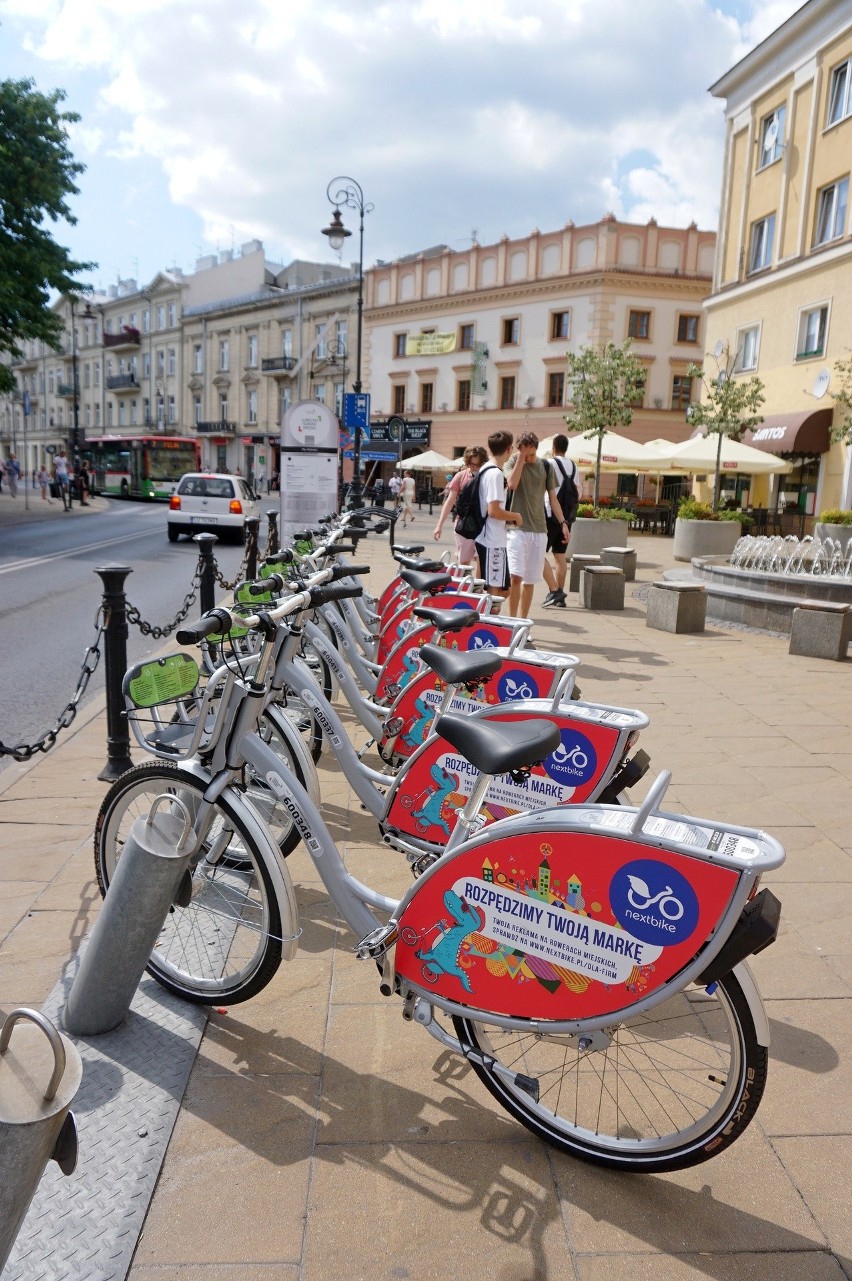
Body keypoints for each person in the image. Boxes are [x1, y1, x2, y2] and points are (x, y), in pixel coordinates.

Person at [503, 431, 570, 618]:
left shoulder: (546, 466)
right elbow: (512, 484)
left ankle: (522, 623)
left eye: (532, 453)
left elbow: (553, 499)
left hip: (540, 530)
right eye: (526, 452)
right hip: (516, 529)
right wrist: (521, 459)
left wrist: (563, 522)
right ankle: (511, 620)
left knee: (529, 581)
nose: (529, 457)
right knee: (516, 576)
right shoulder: (513, 462)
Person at [474, 430, 522, 599]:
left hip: (487, 537)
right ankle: (486, 622)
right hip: (492, 539)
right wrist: (515, 516)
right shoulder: (495, 474)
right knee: (496, 591)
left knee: (501, 590)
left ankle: (484, 619)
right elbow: (493, 511)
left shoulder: (486, 469)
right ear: (509, 449)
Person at [542, 434, 579, 608]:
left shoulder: (549, 463)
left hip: (550, 514)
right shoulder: (573, 465)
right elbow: (578, 491)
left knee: (538, 554)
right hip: (567, 517)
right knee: (560, 556)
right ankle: (560, 595)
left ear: (554, 448)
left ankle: (555, 590)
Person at [433, 446, 487, 566]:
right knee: (463, 562)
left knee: (482, 560)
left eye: (478, 465)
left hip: (483, 525)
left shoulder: (487, 476)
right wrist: (439, 525)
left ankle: (478, 585)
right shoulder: (461, 476)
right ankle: (465, 584)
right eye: (472, 464)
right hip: (464, 525)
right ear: (467, 462)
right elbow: (449, 501)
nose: (475, 467)